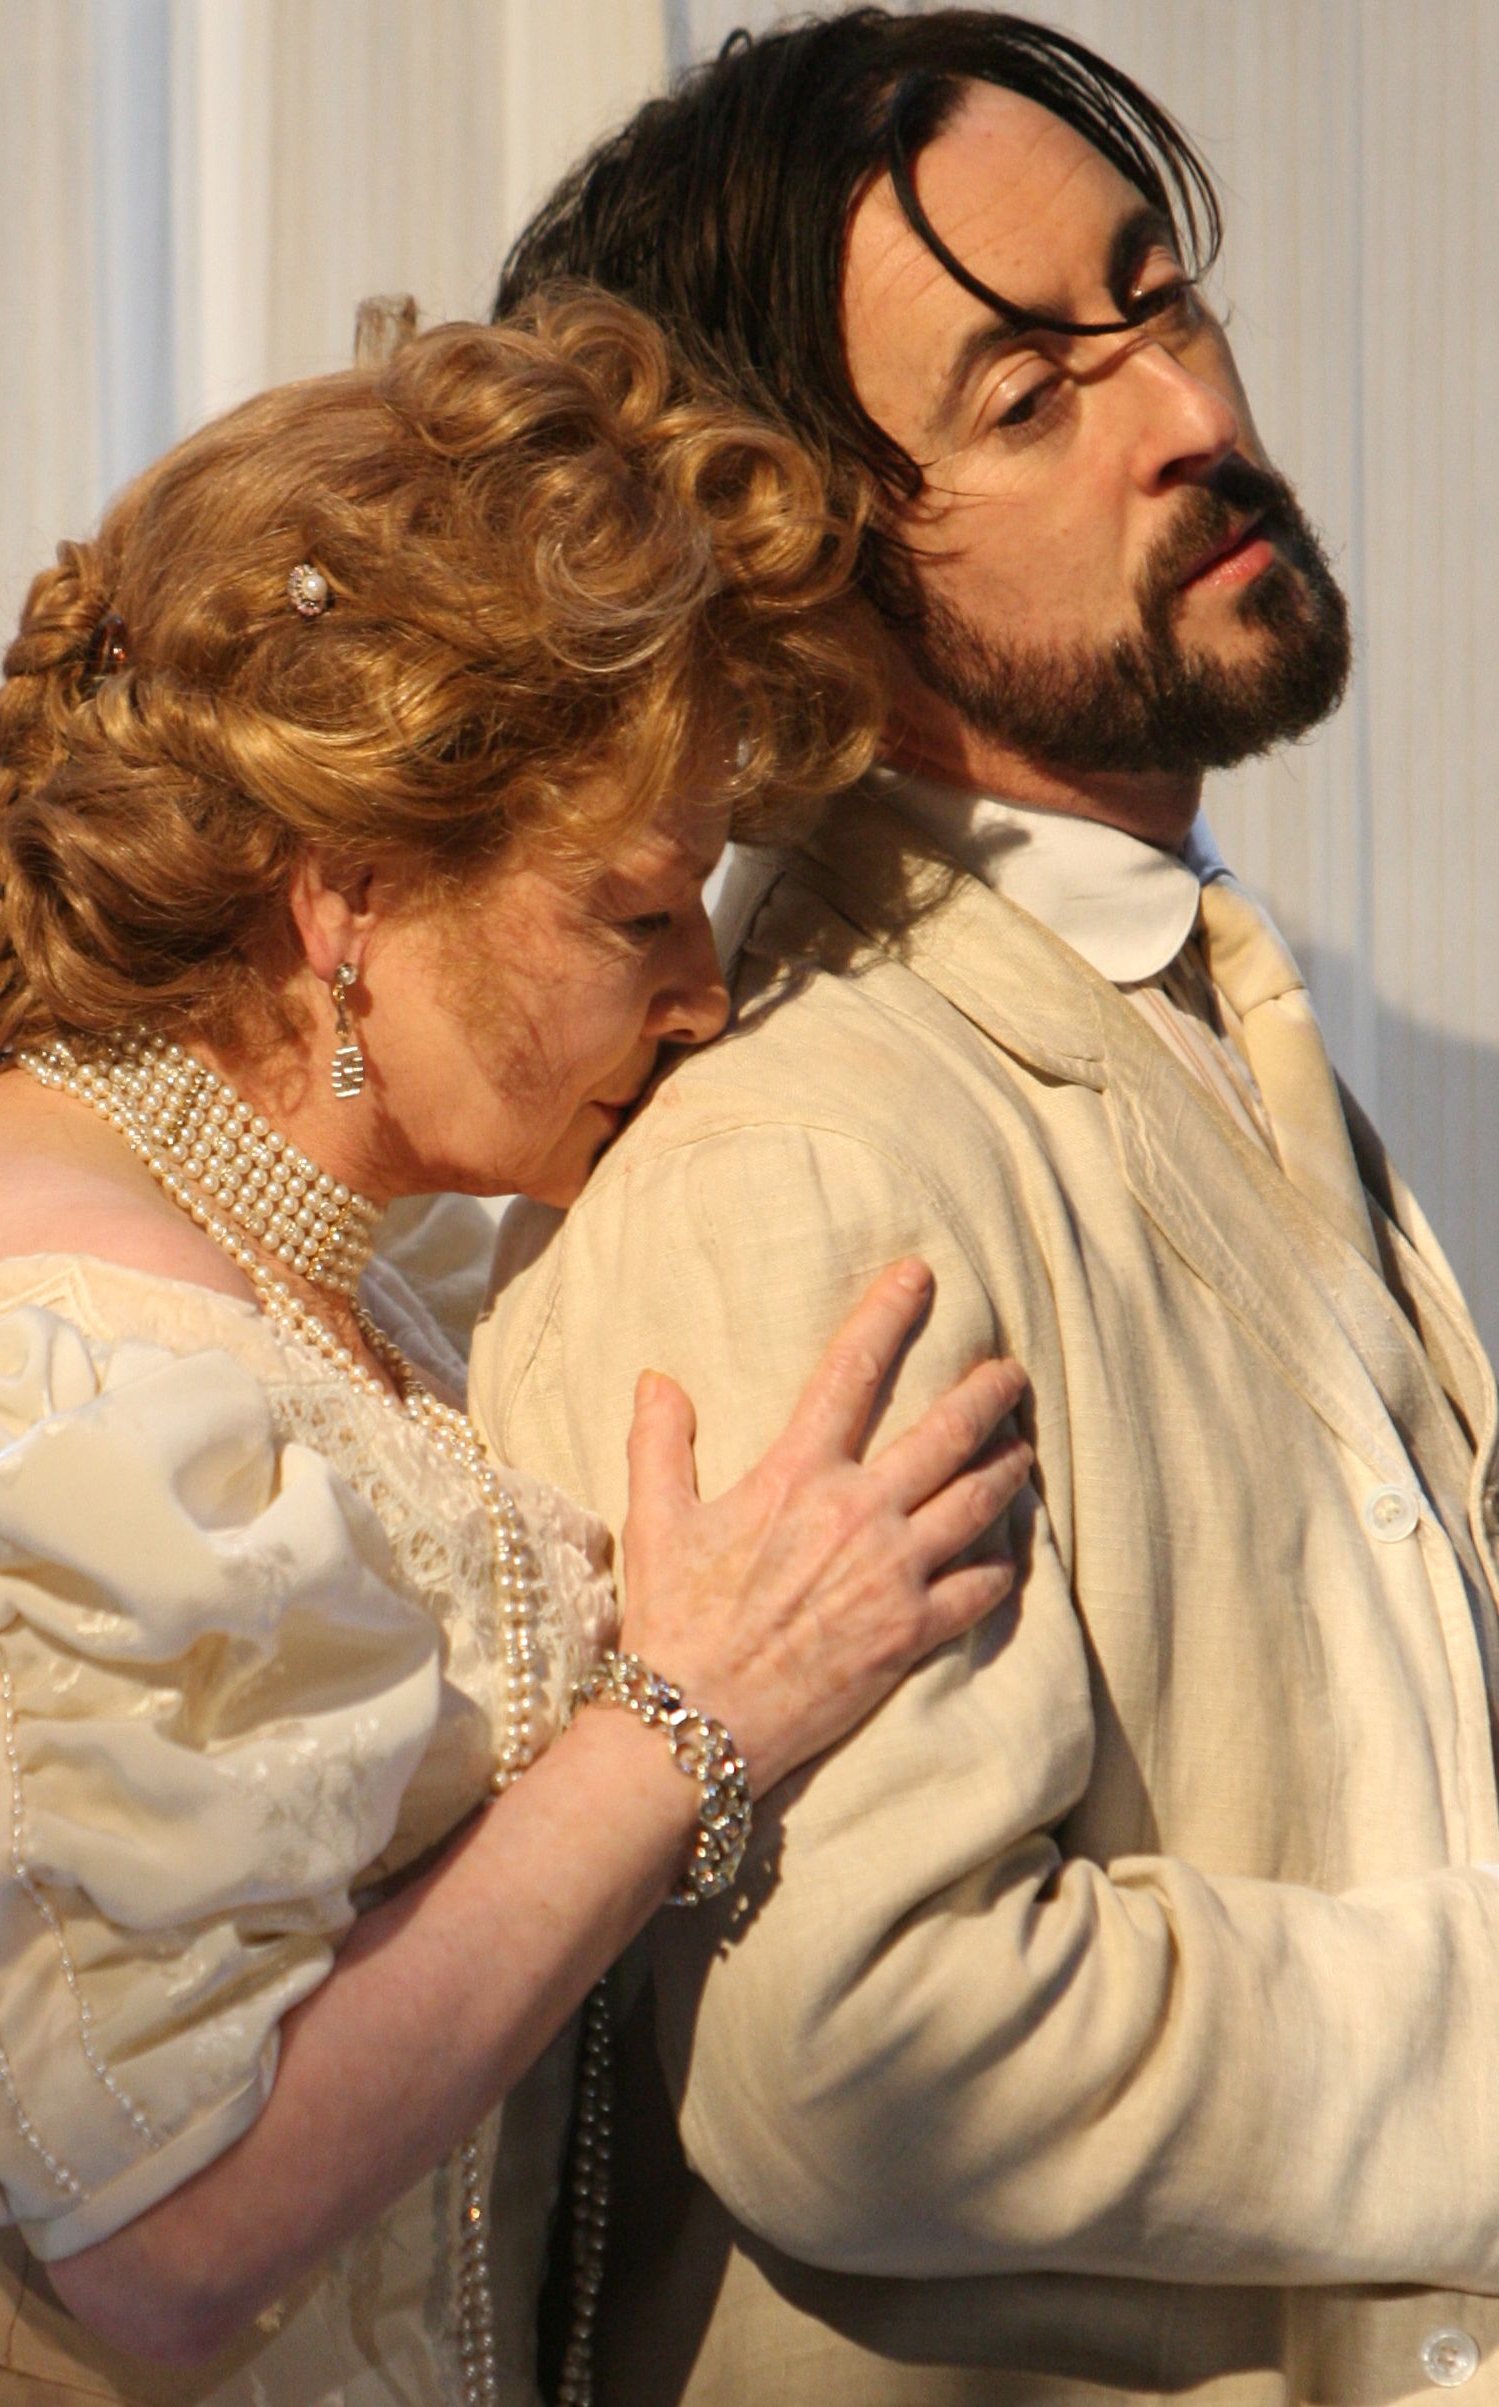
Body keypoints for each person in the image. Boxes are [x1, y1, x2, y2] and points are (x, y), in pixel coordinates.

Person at [0, 293, 1031, 2407]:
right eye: (637, 907)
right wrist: (688, 1718)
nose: (702, 992)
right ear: (349, 892)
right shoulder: (3, 1378)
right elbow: (170, 2232)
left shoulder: (351, 1312)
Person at [474, 13, 1499, 2405]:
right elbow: (867, 2039)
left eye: (1157, 297)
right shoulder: (814, 1145)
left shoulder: (1187, 1019)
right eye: (1029, 398)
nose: (1189, 418)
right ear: (796, 567)